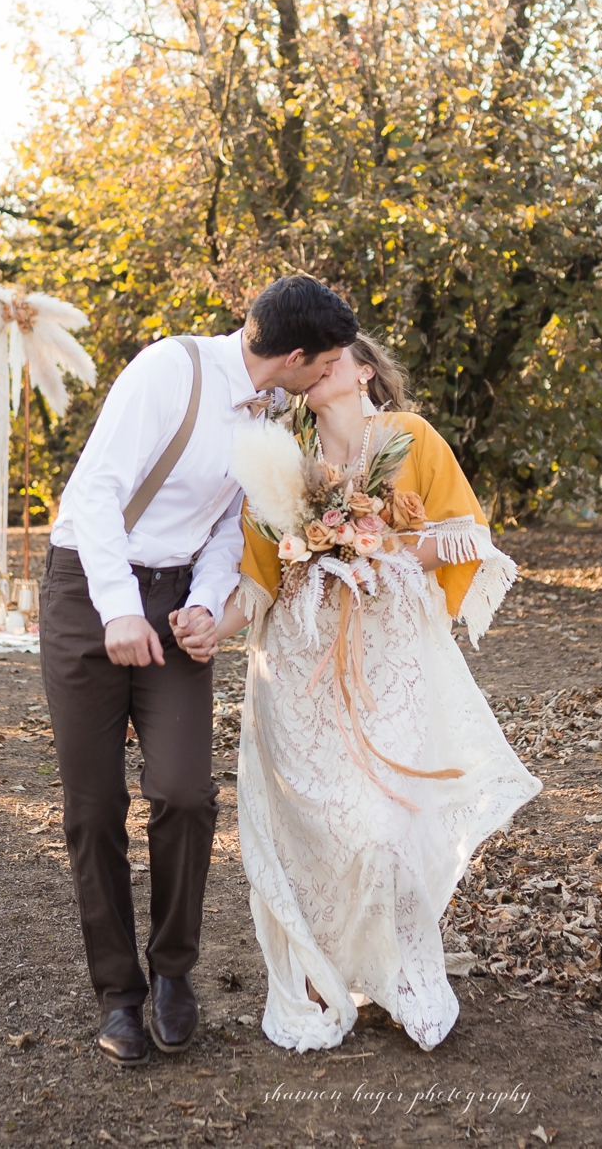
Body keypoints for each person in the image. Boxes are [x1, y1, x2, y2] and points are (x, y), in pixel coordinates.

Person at [41, 274, 357, 1066]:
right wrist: (117, 609)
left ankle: (172, 971)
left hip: (179, 598)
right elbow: (99, 493)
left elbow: (228, 519)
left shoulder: (272, 408)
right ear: (293, 356)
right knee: (94, 807)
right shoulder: (165, 371)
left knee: (185, 793)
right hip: (90, 591)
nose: (330, 377)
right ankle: (118, 994)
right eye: (325, 364)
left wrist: (209, 603)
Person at [201, 335, 539, 1052]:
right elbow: (260, 574)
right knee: (317, 825)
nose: (321, 367)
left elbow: (467, 535)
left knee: (386, 820)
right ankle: (326, 970)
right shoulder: (280, 455)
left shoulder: (411, 437)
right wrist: (213, 625)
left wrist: (373, 542)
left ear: (364, 371)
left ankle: (402, 973)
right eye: (312, 361)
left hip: (389, 657)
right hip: (297, 664)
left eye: (336, 358)